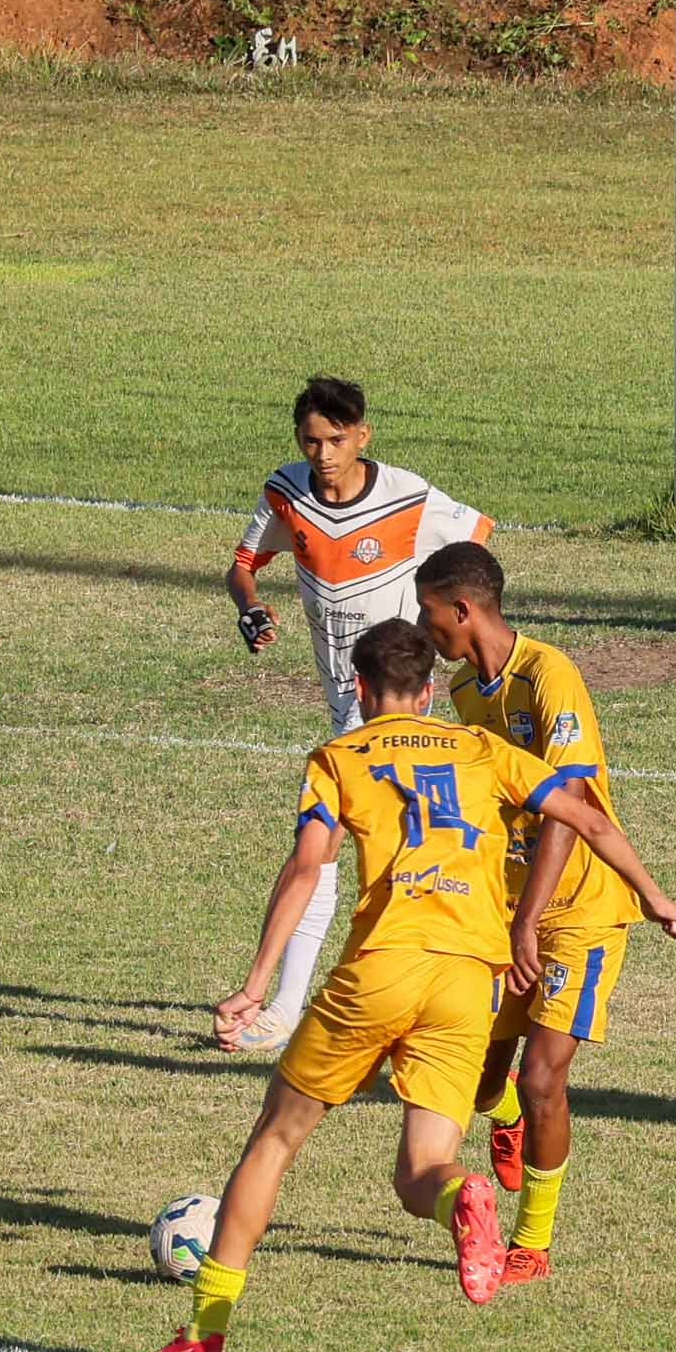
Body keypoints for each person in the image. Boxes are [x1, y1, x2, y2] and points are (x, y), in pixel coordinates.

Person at [126, 619, 675, 1352]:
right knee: (422, 1168)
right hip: (465, 988)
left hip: (379, 972)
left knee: (275, 1139)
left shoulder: (337, 758)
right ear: (427, 693)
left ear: (358, 689)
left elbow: (306, 868)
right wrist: (650, 893)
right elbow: (583, 815)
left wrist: (256, 983)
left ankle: (202, 1341)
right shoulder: (480, 749)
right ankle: (463, 1195)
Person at [425, 540, 676, 1285]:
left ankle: (531, 1245)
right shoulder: (460, 693)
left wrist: (530, 922)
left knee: (546, 1076)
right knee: (475, 1080)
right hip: (501, 908)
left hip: (576, 910)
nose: (427, 632)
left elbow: (568, 810)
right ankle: (503, 1113)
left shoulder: (551, 676)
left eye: (429, 615)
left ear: (462, 609)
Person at [227, 374, 490, 1043]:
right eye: (310, 441)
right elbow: (244, 562)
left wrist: (441, 624)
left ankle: (281, 1006)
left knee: (318, 848)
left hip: (392, 699)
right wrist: (250, 605)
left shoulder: (408, 496)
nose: (322, 455)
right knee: (403, 844)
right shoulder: (286, 494)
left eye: (336, 441)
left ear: (362, 436)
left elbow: (476, 540)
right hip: (348, 699)